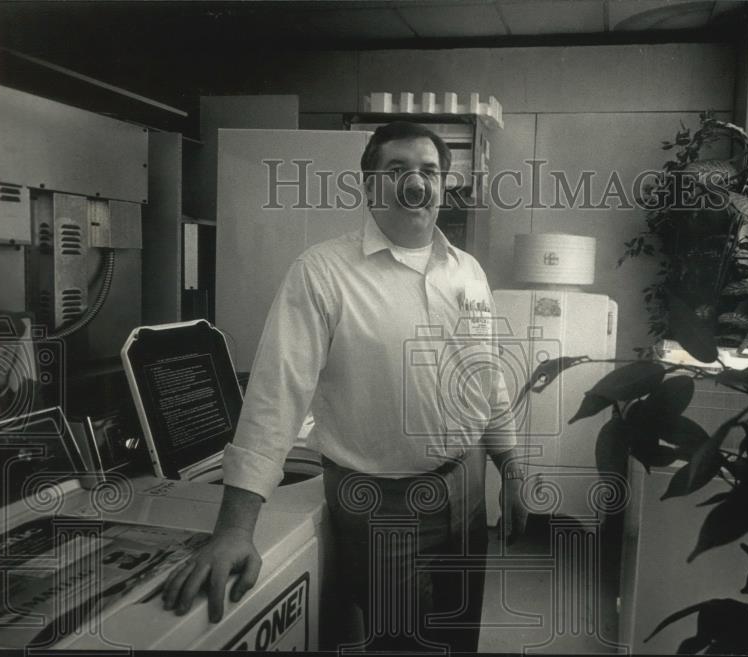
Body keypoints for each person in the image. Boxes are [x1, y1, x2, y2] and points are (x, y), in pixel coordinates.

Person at [161, 121, 528, 653]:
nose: (415, 183)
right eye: (396, 169)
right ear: (369, 185)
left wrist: (511, 466)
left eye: (428, 171)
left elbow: (487, 376)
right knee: (402, 646)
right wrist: (235, 529)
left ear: (446, 185)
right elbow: (275, 396)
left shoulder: (468, 272)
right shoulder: (322, 273)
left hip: (467, 487)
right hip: (382, 503)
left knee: (459, 636)